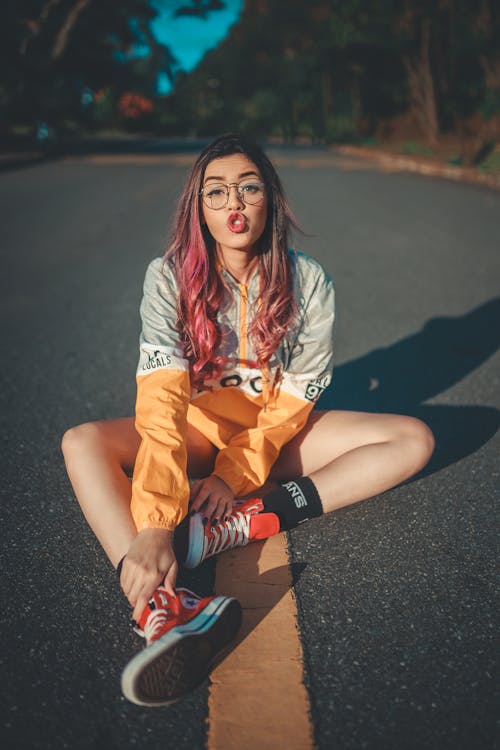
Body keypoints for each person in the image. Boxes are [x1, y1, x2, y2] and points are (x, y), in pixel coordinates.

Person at [62, 133, 434, 707]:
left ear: (270, 199)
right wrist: (158, 524)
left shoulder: (307, 281)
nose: (233, 204)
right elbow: (161, 401)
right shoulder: (167, 278)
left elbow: (293, 401)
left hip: (271, 436)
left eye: (248, 187)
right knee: (82, 442)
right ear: (199, 208)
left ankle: (243, 522)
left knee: (412, 438)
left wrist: (233, 481)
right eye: (216, 192)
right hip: (196, 431)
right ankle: (157, 605)